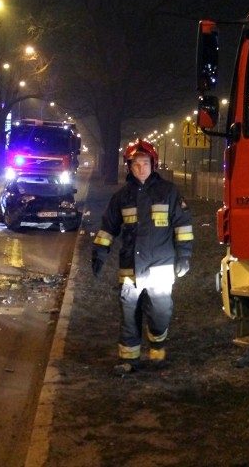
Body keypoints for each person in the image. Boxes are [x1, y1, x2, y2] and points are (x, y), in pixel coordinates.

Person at [91, 139, 193, 375]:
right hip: (130, 267)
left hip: (161, 265)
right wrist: (99, 254)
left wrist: (184, 256)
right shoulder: (121, 198)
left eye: (145, 163)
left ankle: (157, 343)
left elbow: (183, 226)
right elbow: (108, 229)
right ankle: (129, 360)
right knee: (129, 314)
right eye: (135, 164)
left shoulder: (169, 192)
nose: (140, 168)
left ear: (153, 164)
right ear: (129, 166)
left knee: (160, 312)